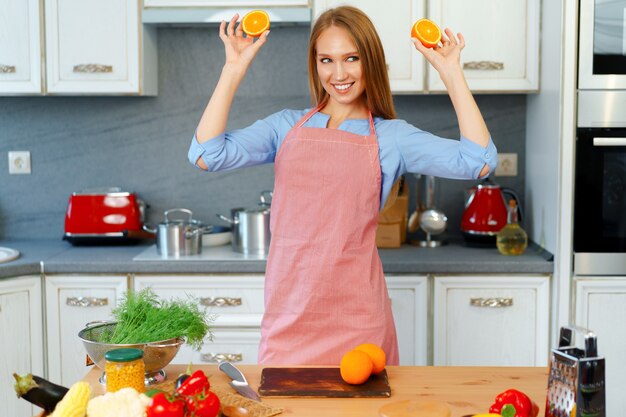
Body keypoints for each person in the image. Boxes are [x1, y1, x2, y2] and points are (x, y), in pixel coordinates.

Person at [188, 6, 498, 365]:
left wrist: (451, 72)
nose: (339, 73)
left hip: (358, 319)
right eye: (326, 60)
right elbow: (206, 154)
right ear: (315, 64)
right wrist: (233, 68)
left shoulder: (390, 137)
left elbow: (480, 161)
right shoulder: (284, 127)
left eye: (351, 58)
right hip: (289, 316)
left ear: (370, 60)